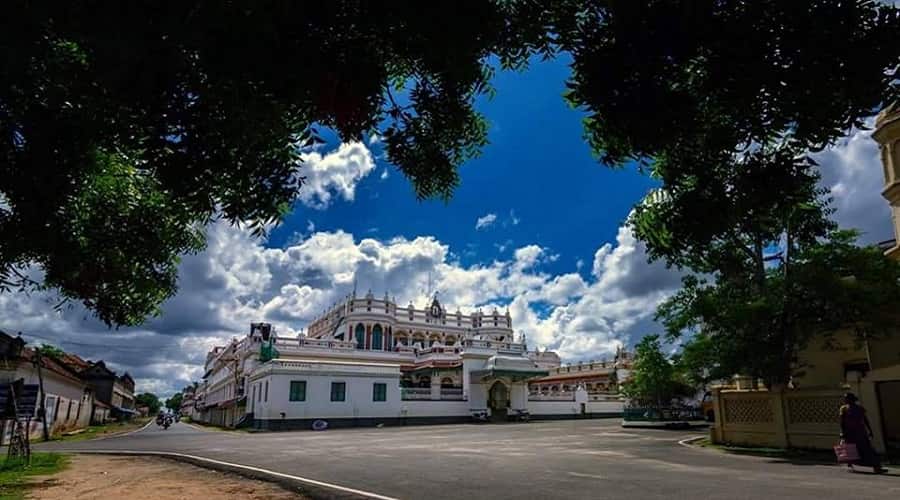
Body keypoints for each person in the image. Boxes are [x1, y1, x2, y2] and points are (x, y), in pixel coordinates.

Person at [839, 392, 887, 473]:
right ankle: (851, 463)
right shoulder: (844, 409)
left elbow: (865, 420)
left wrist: (870, 430)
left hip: (860, 432)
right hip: (850, 433)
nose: (846, 400)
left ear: (852, 400)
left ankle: (876, 467)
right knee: (851, 450)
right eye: (845, 398)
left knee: (867, 449)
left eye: (847, 398)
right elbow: (842, 422)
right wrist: (842, 432)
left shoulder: (860, 408)